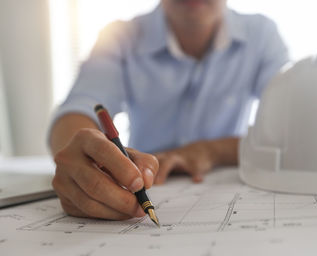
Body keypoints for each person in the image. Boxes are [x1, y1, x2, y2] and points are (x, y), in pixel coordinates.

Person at [49, 0, 289, 220]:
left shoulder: (262, 34)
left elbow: (290, 128)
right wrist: (82, 157)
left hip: (227, 183)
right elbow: (81, 106)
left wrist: (214, 150)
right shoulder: (119, 36)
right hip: (143, 182)